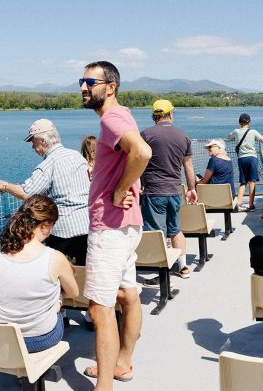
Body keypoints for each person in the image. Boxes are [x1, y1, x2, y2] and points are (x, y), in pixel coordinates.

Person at [80, 60, 152, 390]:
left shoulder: (111, 117)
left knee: (100, 308)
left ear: (110, 87)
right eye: (81, 81)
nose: (83, 87)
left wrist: (120, 189)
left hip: (109, 227)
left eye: (90, 82)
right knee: (127, 293)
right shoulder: (121, 114)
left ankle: (104, 385)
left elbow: (142, 151)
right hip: (127, 225)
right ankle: (122, 363)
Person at [0, 195, 79, 352]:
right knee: (58, 299)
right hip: (40, 339)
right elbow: (73, 293)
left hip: (2, 338)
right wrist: (57, 300)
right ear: (45, 225)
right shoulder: (55, 257)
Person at [0, 118, 90, 265]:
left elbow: (26, 192)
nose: (33, 147)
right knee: (84, 271)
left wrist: (5, 185)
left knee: (60, 273)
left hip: (63, 232)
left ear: (43, 141)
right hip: (87, 225)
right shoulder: (77, 156)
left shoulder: (48, 164)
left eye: (33, 142)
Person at [140, 99, 198, 280]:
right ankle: (183, 267)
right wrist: (191, 188)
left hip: (153, 191)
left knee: (158, 234)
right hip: (174, 191)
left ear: (153, 116)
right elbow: (188, 167)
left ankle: (162, 273)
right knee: (175, 230)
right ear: (171, 114)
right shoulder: (183, 136)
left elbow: (137, 162)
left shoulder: (145, 135)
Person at [228, 113, 263, 211]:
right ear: (249, 122)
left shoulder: (236, 131)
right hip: (252, 158)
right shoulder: (253, 132)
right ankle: (251, 205)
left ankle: (239, 203)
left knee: (243, 182)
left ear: (239, 122)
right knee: (252, 182)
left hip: (241, 158)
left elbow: (229, 137)